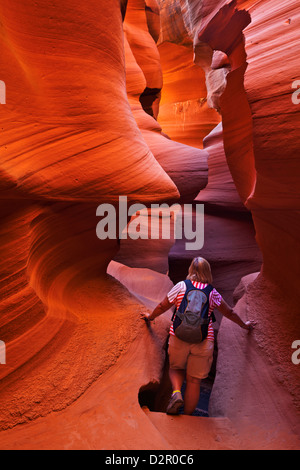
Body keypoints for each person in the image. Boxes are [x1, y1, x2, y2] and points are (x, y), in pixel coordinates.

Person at [141, 257, 256, 416]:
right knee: (194, 380)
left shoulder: (181, 286)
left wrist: (150, 316)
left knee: (176, 368)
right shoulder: (212, 292)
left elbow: (163, 305)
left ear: (190, 271)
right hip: (203, 340)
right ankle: (188, 416)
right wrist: (245, 325)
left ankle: (176, 392)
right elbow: (229, 312)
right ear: (207, 272)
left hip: (179, 335)